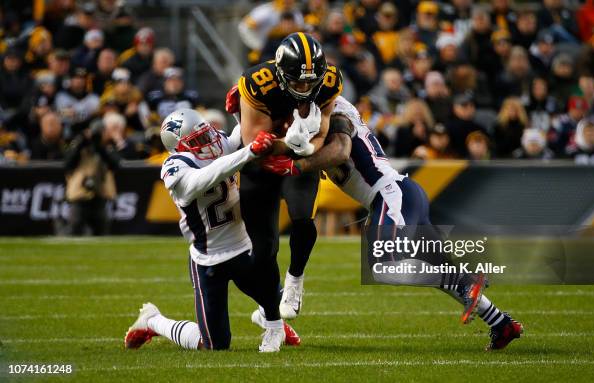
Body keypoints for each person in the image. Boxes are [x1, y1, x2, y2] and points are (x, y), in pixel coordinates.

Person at [262, 95, 523, 350]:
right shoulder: (323, 115)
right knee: (437, 271)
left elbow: (339, 152)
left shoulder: (339, 115)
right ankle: (501, 323)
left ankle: (467, 281)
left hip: (390, 195)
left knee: (385, 268)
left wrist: (295, 164)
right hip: (401, 195)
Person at [124, 108, 300, 353]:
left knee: (284, 303)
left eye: (206, 134)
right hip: (209, 259)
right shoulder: (175, 166)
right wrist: (248, 151)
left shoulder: (219, 142)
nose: (208, 143)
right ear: (179, 147)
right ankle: (153, 320)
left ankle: (268, 319)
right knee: (215, 345)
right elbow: (202, 180)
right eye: (198, 141)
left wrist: (246, 107)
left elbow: (245, 132)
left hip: (244, 246)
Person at [227, 32, 342, 320]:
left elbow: (323, 132)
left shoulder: (327, 81)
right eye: (297, 81)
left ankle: (295, 279)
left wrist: (305, 148)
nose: (304, 87)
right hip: (259, 162)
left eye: (309, 81)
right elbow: (255, 144)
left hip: (297, 158)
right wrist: (290, 143)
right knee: (264, 250)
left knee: (303, 218)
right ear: (280, 73)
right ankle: (270, 308)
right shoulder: (258, 82)